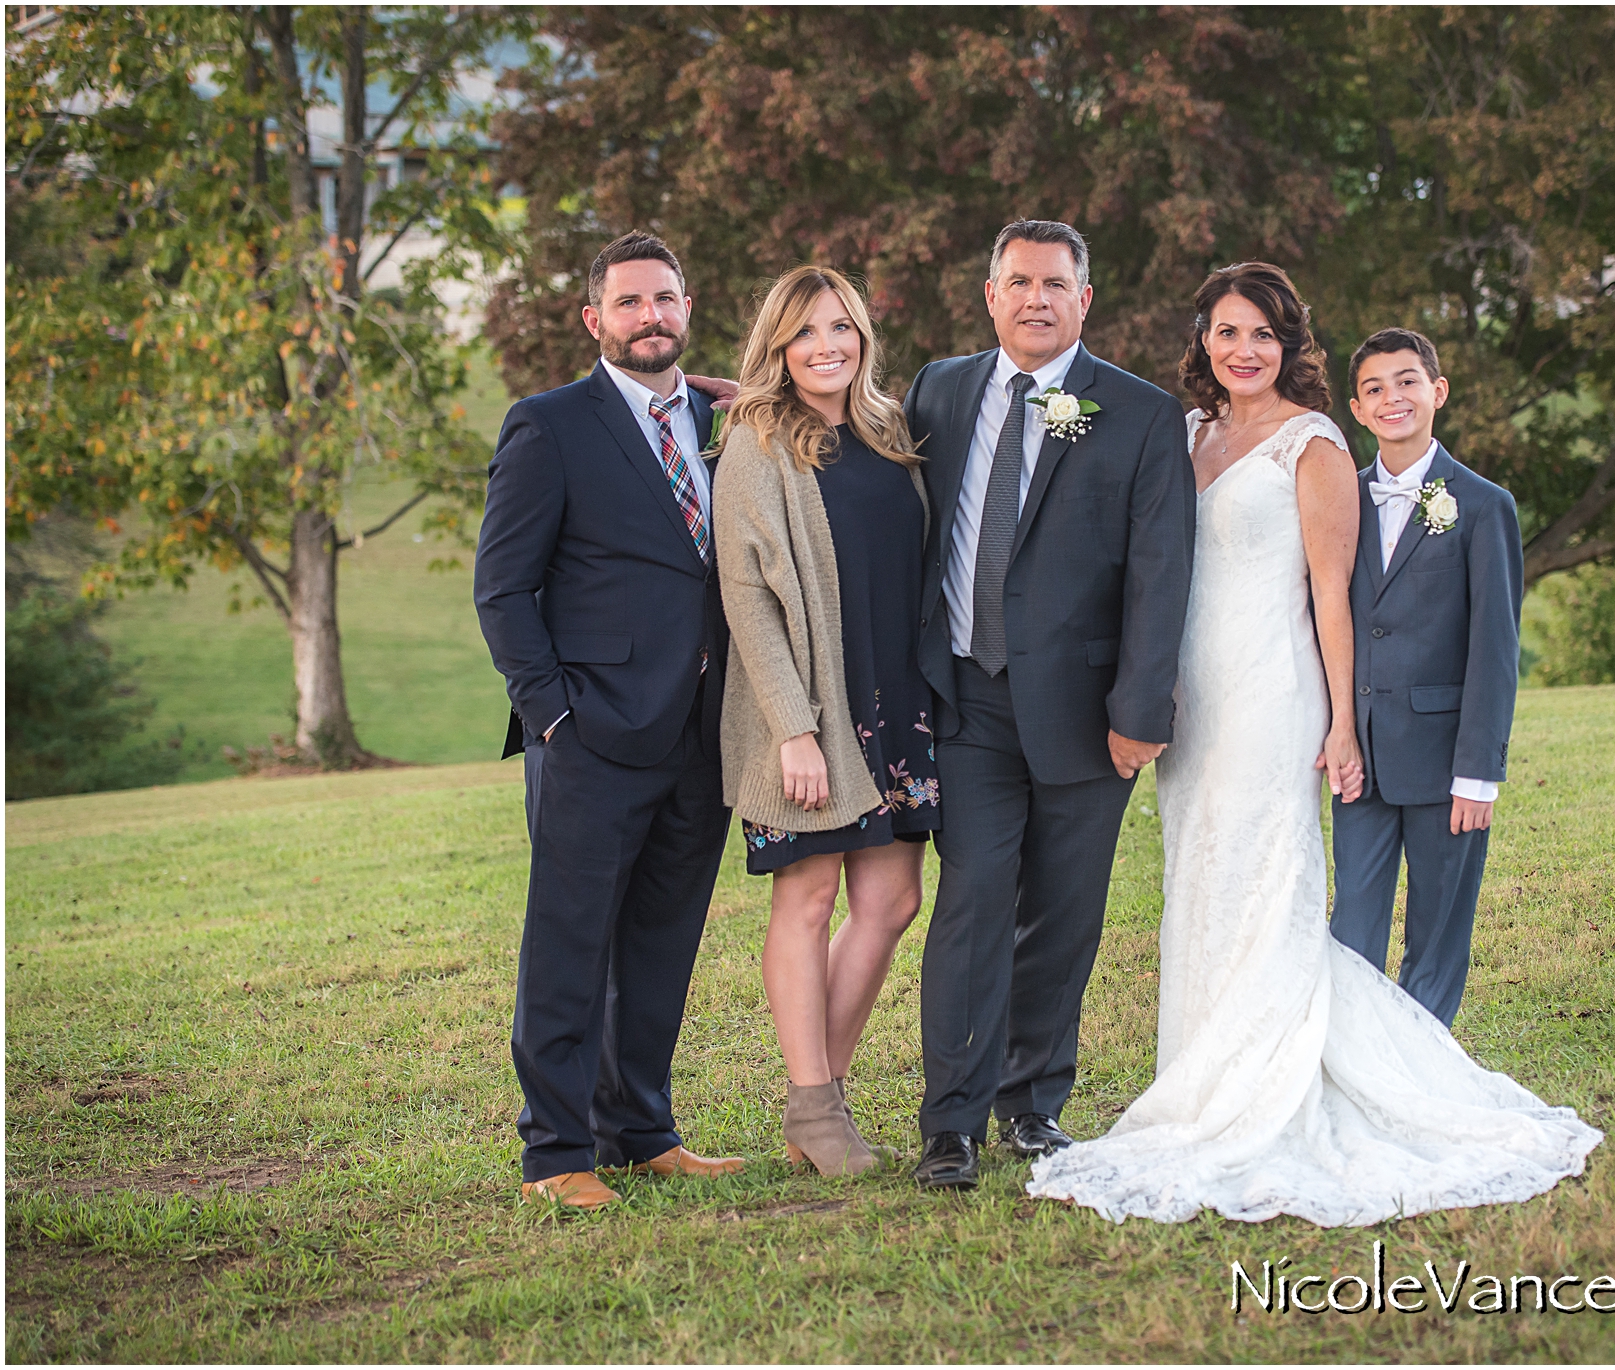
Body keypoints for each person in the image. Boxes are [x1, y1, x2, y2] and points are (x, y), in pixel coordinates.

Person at [1027, 270, 1601, 1227]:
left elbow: (1333, 596)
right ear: (1203, 341)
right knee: (1202, 881)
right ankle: (1204, 1075)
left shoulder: (1317, 444)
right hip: (1193, 702)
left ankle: (1271, 1084)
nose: (1242, 350)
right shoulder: (1188, 433)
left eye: (1261, 333)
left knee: (1267, 882)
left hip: (1273, 694)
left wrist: (1339, 721)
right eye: (1225, 332)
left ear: (1289, 344)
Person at [903, 220, 1197, 1190]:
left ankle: (1030, 1105)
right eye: (1017, 281)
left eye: (1054, 283)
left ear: (1084, 299)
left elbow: (1161, 569)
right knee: (971, 901)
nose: (1035, 298)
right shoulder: (938, 390)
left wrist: (1141, 708)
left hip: (1087, 710)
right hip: (969, 698)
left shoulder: (1140, 413)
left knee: (1064, 916)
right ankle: (949, 1122)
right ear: (989, 294)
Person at [474, 231, 745, 1210]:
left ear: (686, 306)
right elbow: (501, 589)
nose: (649, 318)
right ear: (594, 319)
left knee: (661, 941)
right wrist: (551, 715)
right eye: (628, 303)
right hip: (590, 732)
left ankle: (640, 1130)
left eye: (664, 300)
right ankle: (555, 1152)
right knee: (570, 943)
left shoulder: (722, 417)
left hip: (703, 729)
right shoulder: (549, 426)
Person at [714, 267, 935, 1177]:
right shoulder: (758, 441)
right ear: (778, 347)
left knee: (890, 901)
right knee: (807, 900)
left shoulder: (888, 433)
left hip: (898, 702)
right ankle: (815, 1103)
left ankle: (821, 1103)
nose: (827, 346)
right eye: (805, 333)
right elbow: (746, 595)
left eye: (841, 327)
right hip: (805, 711)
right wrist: (792, 728)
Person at [1330, 327, 1519, 1028]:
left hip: (1447, 768)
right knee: (1352, 932)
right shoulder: (1339, 500)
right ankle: (1357, 1064)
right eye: (1375, 387)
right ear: (1357, 407)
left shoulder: (1483, 505)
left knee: (1437, 938)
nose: (1393, 398)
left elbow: (1495, 650)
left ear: (1437, 391)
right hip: (1363, 764)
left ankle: (1421, 1074)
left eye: (1407, 381)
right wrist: (1335, 728)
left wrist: (1478, 773)